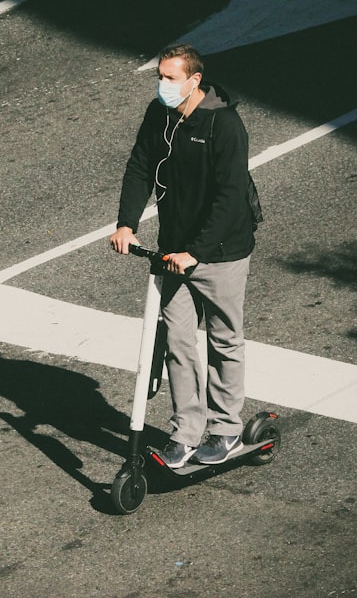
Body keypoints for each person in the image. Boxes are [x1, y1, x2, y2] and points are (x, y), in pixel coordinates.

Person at [109, 44, 257, 467]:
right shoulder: (159, 116)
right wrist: (127, 224)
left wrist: (196, 252)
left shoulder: (224, 125)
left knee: (224, 340)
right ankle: (187, 430)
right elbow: (140, 166)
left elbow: (230, 198)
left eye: (170, 78)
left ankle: (226, 429)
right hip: (173, 251)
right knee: (177, 341)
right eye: (159, 75)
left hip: (221, 252)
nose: (162, 84)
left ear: (195, 81)